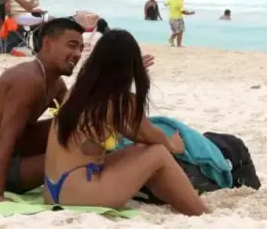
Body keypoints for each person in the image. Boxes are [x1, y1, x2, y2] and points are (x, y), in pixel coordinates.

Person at [44, 29, 210, 215]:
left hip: (54, 189)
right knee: (159, 152)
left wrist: (130, 69)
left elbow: (136, 136)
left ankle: (180, 198)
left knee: (139, 150)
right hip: (80, 193)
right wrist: (173, 145)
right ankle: (201, 212)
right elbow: (151, 134)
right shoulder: (120, 101)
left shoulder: (79, 90)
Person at [0, 18, 85, 199]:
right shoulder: (28, 79)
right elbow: (6, 137)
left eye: (81, 49)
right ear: (47, 43)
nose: (77, 54)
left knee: (70, 125)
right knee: (72, 158)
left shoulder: (56, 84)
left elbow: (77, 121)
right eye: (72, 46)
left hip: (2, 155)